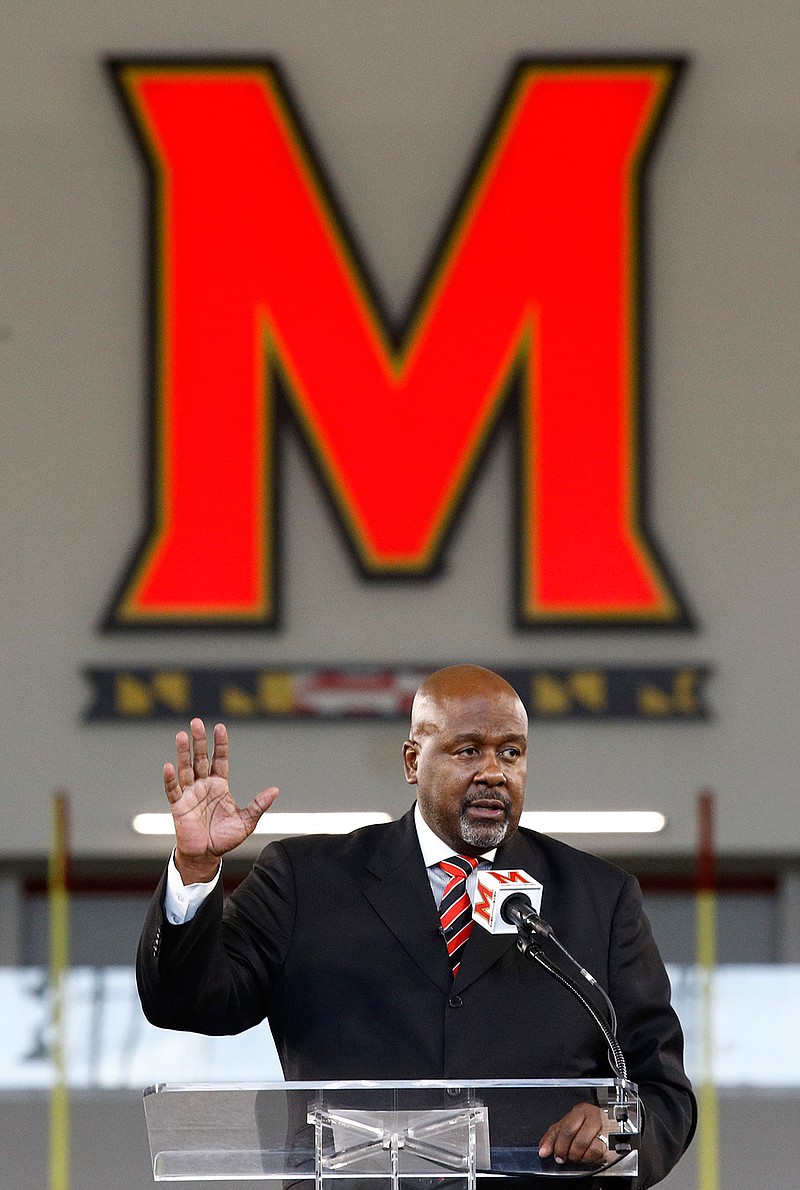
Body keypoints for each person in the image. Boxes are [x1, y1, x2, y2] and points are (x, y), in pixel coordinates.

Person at [137, 665, 695, 1187]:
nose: (494, 772)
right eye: (467, 750)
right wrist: (196, 868)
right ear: (412, 760)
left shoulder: (599, 897)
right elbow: (188, 1002)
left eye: (512, 752)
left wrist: (620, 1131)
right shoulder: (306, 881)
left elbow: (661, 1087)